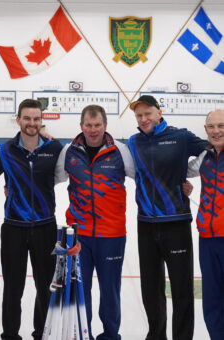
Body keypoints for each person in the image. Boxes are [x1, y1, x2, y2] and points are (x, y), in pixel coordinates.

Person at [128, 95, 208, 340]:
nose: (143, 119)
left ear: (159, 112)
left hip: (176, 223)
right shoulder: (133, 141)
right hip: (146, 225)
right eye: (139, 115)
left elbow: (212, 149)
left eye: (148, 113)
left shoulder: (180, 137)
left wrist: (189, 173)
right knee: (151, 290)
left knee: (182, 289)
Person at [55, 104, 135, 340]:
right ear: (81, 126)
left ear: (105, 125)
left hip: (112, 234)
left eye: (97, 125)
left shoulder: (120, 150)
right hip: (79, 235)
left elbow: (143, 177)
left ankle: (111, 335)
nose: (93, 130)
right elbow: (50, 179)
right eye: (88, 125)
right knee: (80, 289)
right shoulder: (69, 151)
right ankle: (83, 334)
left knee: (110, 290)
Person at [0, 99, 63, 340]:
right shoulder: (5, 150)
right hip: (13, 229)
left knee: (45, 288)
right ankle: (10, 335)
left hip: (45, 227)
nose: (32, 123)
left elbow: (73, 172)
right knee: (12, 288)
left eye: (36, 119)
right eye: (27, 118)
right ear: (18, 119)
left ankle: (43, 333)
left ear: (42, 121)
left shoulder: (55, 148)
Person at [187, 109, 224, 340]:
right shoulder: (204, 157)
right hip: (208, 239)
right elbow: (178, 171)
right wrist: (183, 184)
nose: (216, 131)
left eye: (221, 126)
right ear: (205, 130)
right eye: (211, 126)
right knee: (212, 299)